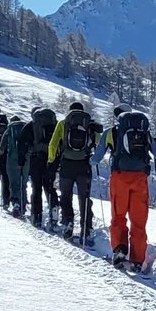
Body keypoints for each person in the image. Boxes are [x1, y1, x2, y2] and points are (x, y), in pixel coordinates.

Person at [105, 105, 156, 269]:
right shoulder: (143, 132)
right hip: (140, 179)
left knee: (118, 216)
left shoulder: (112, 132)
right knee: (139, 220)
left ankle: (120, 250)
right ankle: (137, 260)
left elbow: (97, 156)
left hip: (119, 177)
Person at [48, 101, 99, 243]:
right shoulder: (89, 123)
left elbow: (53, 144)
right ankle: (86, 228)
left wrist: (51, 160)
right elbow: (98, 142)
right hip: (84, 165)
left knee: (66, 195)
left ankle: (68, 222)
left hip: (66, 164)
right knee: (84, 197)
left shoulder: (63, 123)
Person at [26, 104, 59, 226]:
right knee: (49, 186)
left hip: (36, 160)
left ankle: (36, 216)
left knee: (36, 188)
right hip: (51, 159)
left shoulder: (32, 125)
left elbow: (21, 138)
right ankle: (54, 209)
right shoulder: (54, 124)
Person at [1, 113, 33, 216]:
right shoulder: (26, 129)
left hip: (12, 159)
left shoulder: (9, 129)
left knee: (14, 183)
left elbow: (1, 147)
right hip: (26, 159)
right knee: (23, 183)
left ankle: (16, 204)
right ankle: (23, 205)